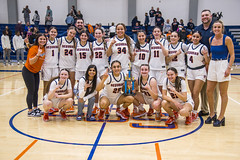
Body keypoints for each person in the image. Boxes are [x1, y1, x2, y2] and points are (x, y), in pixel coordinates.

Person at [205, 20, 235, 127]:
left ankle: (221, 117)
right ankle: (212, 113)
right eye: (215, 27)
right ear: (212, 29)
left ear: (222, 28)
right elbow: (212, 53)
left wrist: (228, 68)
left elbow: (232, 55)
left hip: (223, 64)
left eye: (219, 27)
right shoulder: (210, 39)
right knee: (209, 91)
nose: (216, 29)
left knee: (223, 93)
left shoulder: (227, 39)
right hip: (213, 63)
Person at [195, 9, 218, 117]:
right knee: (203, 88)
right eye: (203, 15)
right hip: (201, 63)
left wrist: (209, 61)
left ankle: (214, 111)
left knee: (213, 88)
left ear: (211, 16)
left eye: (207, 15)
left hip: (213, 62)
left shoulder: (216, 27)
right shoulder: (198, 28)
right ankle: (204, 109)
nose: (205, 17)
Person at [22, 33, 47, 117]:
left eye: (44, 39)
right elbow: (31, 61)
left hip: (36, 72)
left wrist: (27, 43)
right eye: (41, 39)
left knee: (36, 91)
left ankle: (35, 108)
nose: (42, 40)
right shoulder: (34, 48)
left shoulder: (44, 48)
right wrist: (37, 55)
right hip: (28, 71)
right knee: (31, 91)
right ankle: (30, 111)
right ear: (37, 40)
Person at [186, 31, 209, 121]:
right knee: (192, 94)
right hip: (190, 70)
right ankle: (192, 111)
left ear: (200, 38)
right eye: (194, 36)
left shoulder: (203, 47)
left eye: (197, 37)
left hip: (200, 71)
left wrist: (205, 55)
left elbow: (207, 61)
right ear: (191, 37)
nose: (195, 38)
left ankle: (195, 112)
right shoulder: (188, 46)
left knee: (196, 93)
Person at [58, 26, 77, 112]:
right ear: (67, 31)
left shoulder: (75, 41)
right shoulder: (61, 40)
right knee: (63, 85)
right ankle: (62, 102)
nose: (72, 35)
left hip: (72, 65)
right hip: (63, 65)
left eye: (73, 33)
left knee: (72, 85)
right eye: (70, 33)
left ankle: (71, 103)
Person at [149, 26, 168, 92]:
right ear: (153, 33)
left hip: (161, 67)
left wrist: (160, 44)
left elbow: (166, 54)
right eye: (155, 31)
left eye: (158, 31)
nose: (156, 33)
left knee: (160, 86)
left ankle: (161, 100)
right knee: (152, 85)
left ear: (161, 33)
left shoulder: (165, 41)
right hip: (152, 67)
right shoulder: (151, 42)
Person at [41, 27, 59, 96]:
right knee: (46, 85)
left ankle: (53, 102)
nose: (53, 33)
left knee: (55, 85)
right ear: (48, 32)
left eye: (54, 32)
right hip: (46, 66)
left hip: (55, 66)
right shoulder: (45, 41)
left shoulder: (58, 41)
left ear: (57, 33)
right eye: (52, 32)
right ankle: (45, 100)